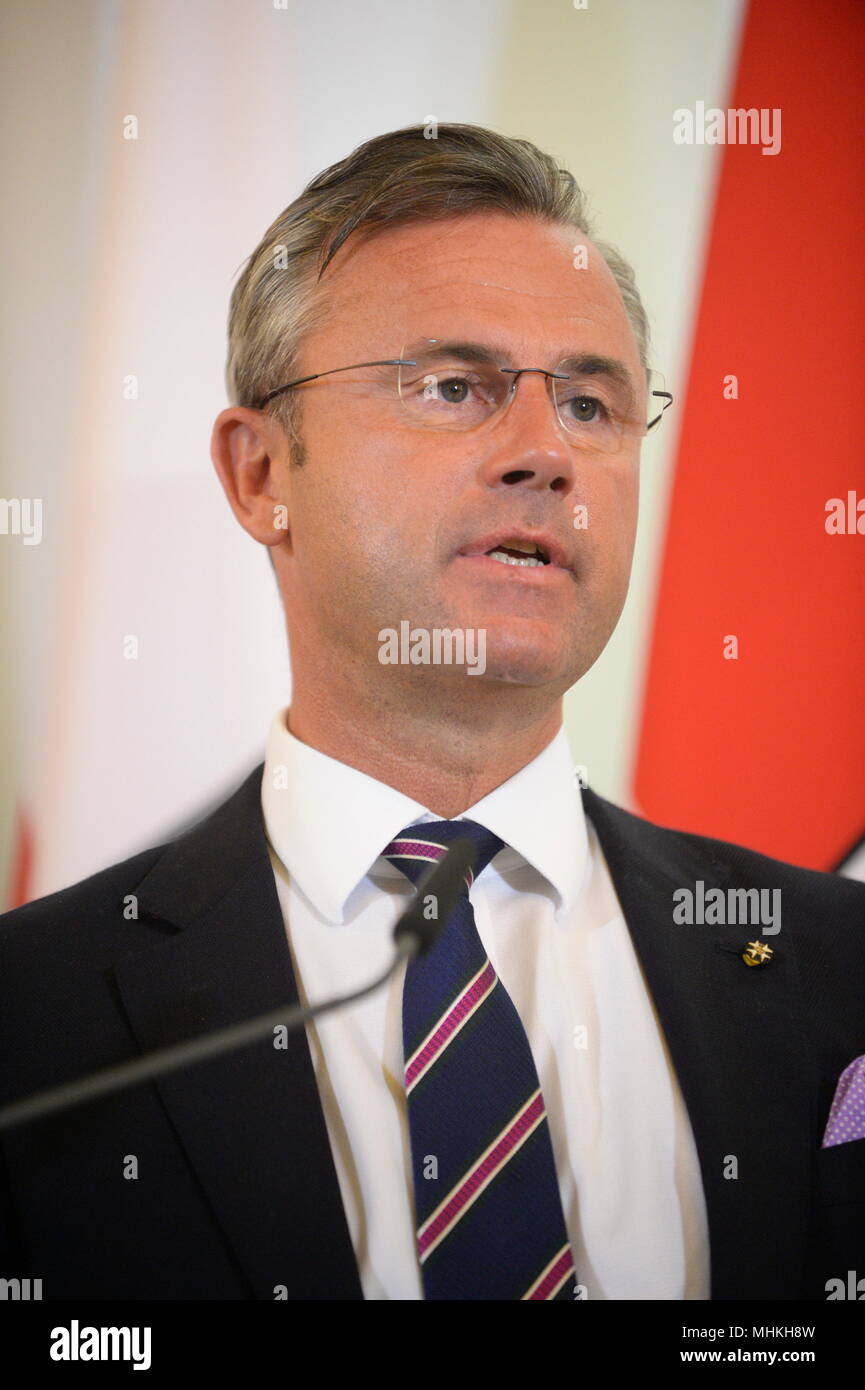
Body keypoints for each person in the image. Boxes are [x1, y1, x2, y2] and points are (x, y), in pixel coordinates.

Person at [1, 124, 863, 1302]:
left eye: (592, 404)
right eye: (454, 386)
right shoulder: (33, 1016)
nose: (546, 453)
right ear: (262, 476)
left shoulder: (837, 966)